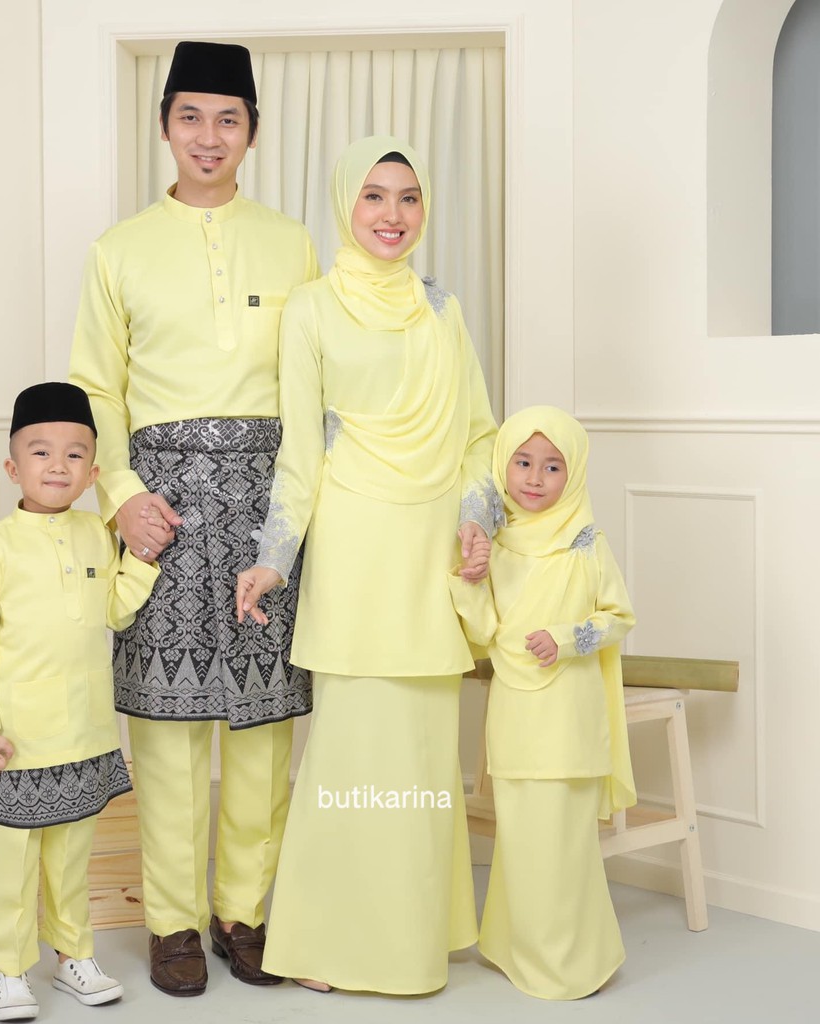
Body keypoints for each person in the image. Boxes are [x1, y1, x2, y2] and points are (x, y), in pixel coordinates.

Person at [68, 41, 319, 996]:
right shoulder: (118, 249)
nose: (208, 137)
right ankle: (171, 922)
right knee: (167, 731)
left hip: (267, 509)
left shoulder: (293, 243)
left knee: (261, 729)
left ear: (252, 132)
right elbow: (97, 388)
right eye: (190, 117)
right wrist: (122, 494)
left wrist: (292, 520)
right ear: (165, 125)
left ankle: (243, 914)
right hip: (161, 510)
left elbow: (311, 387)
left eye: (228, 119)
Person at [236, 135, 500, 994]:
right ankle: (326, 944)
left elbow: (479, 435)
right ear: (346, 205)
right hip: (355, 553)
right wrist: (274, 559)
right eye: (375, 197)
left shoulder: (442, 308)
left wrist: (476, 521)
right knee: (351, 757)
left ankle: (414, 936)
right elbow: (299, 454)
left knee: (421, 757)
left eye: (409, 197)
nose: (393, 215)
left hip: (429, 554)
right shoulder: (311, 308)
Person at [0, 382, 159, 1021]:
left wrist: (142, 559)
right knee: (13, 862)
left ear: (93, 473)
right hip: (19, 736)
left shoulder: (97, 534)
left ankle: (73, 955)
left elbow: (116, 611)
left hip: (86, 730)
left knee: (70, 858)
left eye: (74, 454)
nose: (57, 466)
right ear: (13, 467)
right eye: (40, 452)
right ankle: (9, 969)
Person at [448, 405, 637, 1000]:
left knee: (565, 845)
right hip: (516, 717)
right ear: (503, 467)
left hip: (569, 721)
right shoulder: (497, 544)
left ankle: (573, 963)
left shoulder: (587, 544)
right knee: (523, 841)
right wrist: (469, 580)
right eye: (523, 462)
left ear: (573, 472)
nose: (535, 478)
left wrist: (565, 638)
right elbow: (484, 631)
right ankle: (514, 950)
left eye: (552, 466)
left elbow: (618, 617)